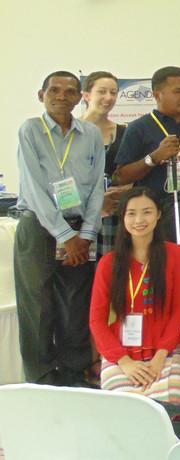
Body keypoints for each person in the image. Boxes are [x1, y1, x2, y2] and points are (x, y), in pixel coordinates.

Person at [115, 66, 180, 373]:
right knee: (159, 291)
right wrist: (153, 158)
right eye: (179, 91)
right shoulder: (140, 129)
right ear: (157, 94)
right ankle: (158, 353)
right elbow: (121, 174)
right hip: (155, 226)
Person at [14, 70, 105, 386]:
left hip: (80, 229)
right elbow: (35, 188)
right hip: (38, 226)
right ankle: (40, 376)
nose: (61, 96)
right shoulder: (31, 131)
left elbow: (97, 189)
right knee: (37, 305)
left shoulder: (91, 134)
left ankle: (72, 372)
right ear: (42, 95)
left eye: (70, 91)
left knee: (75, 303)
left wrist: (87, 234)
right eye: (54, 90)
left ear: (80, 97)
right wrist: (65, 237)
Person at [88, 187, 180, 404]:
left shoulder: (177, 255)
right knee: (122, 411)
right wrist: (124, 362)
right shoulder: (108, 264)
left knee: (170, 407)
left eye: (147, 212)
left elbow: (178, 312)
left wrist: (160, 358)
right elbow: (97, 322)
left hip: (165, 353)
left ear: (159, 214)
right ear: (122, 217)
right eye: (131, 213)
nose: (139, 219)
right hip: (120, 356)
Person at [80, 71, 132, 258]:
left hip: (113, 215)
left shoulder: (124, 132)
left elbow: (131, 173)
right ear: (86, 95)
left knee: (110, 273)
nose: (108, 97)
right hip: (78, 213)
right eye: (101, 91)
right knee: (77, 277)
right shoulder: (70, 132)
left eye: (113, 92)